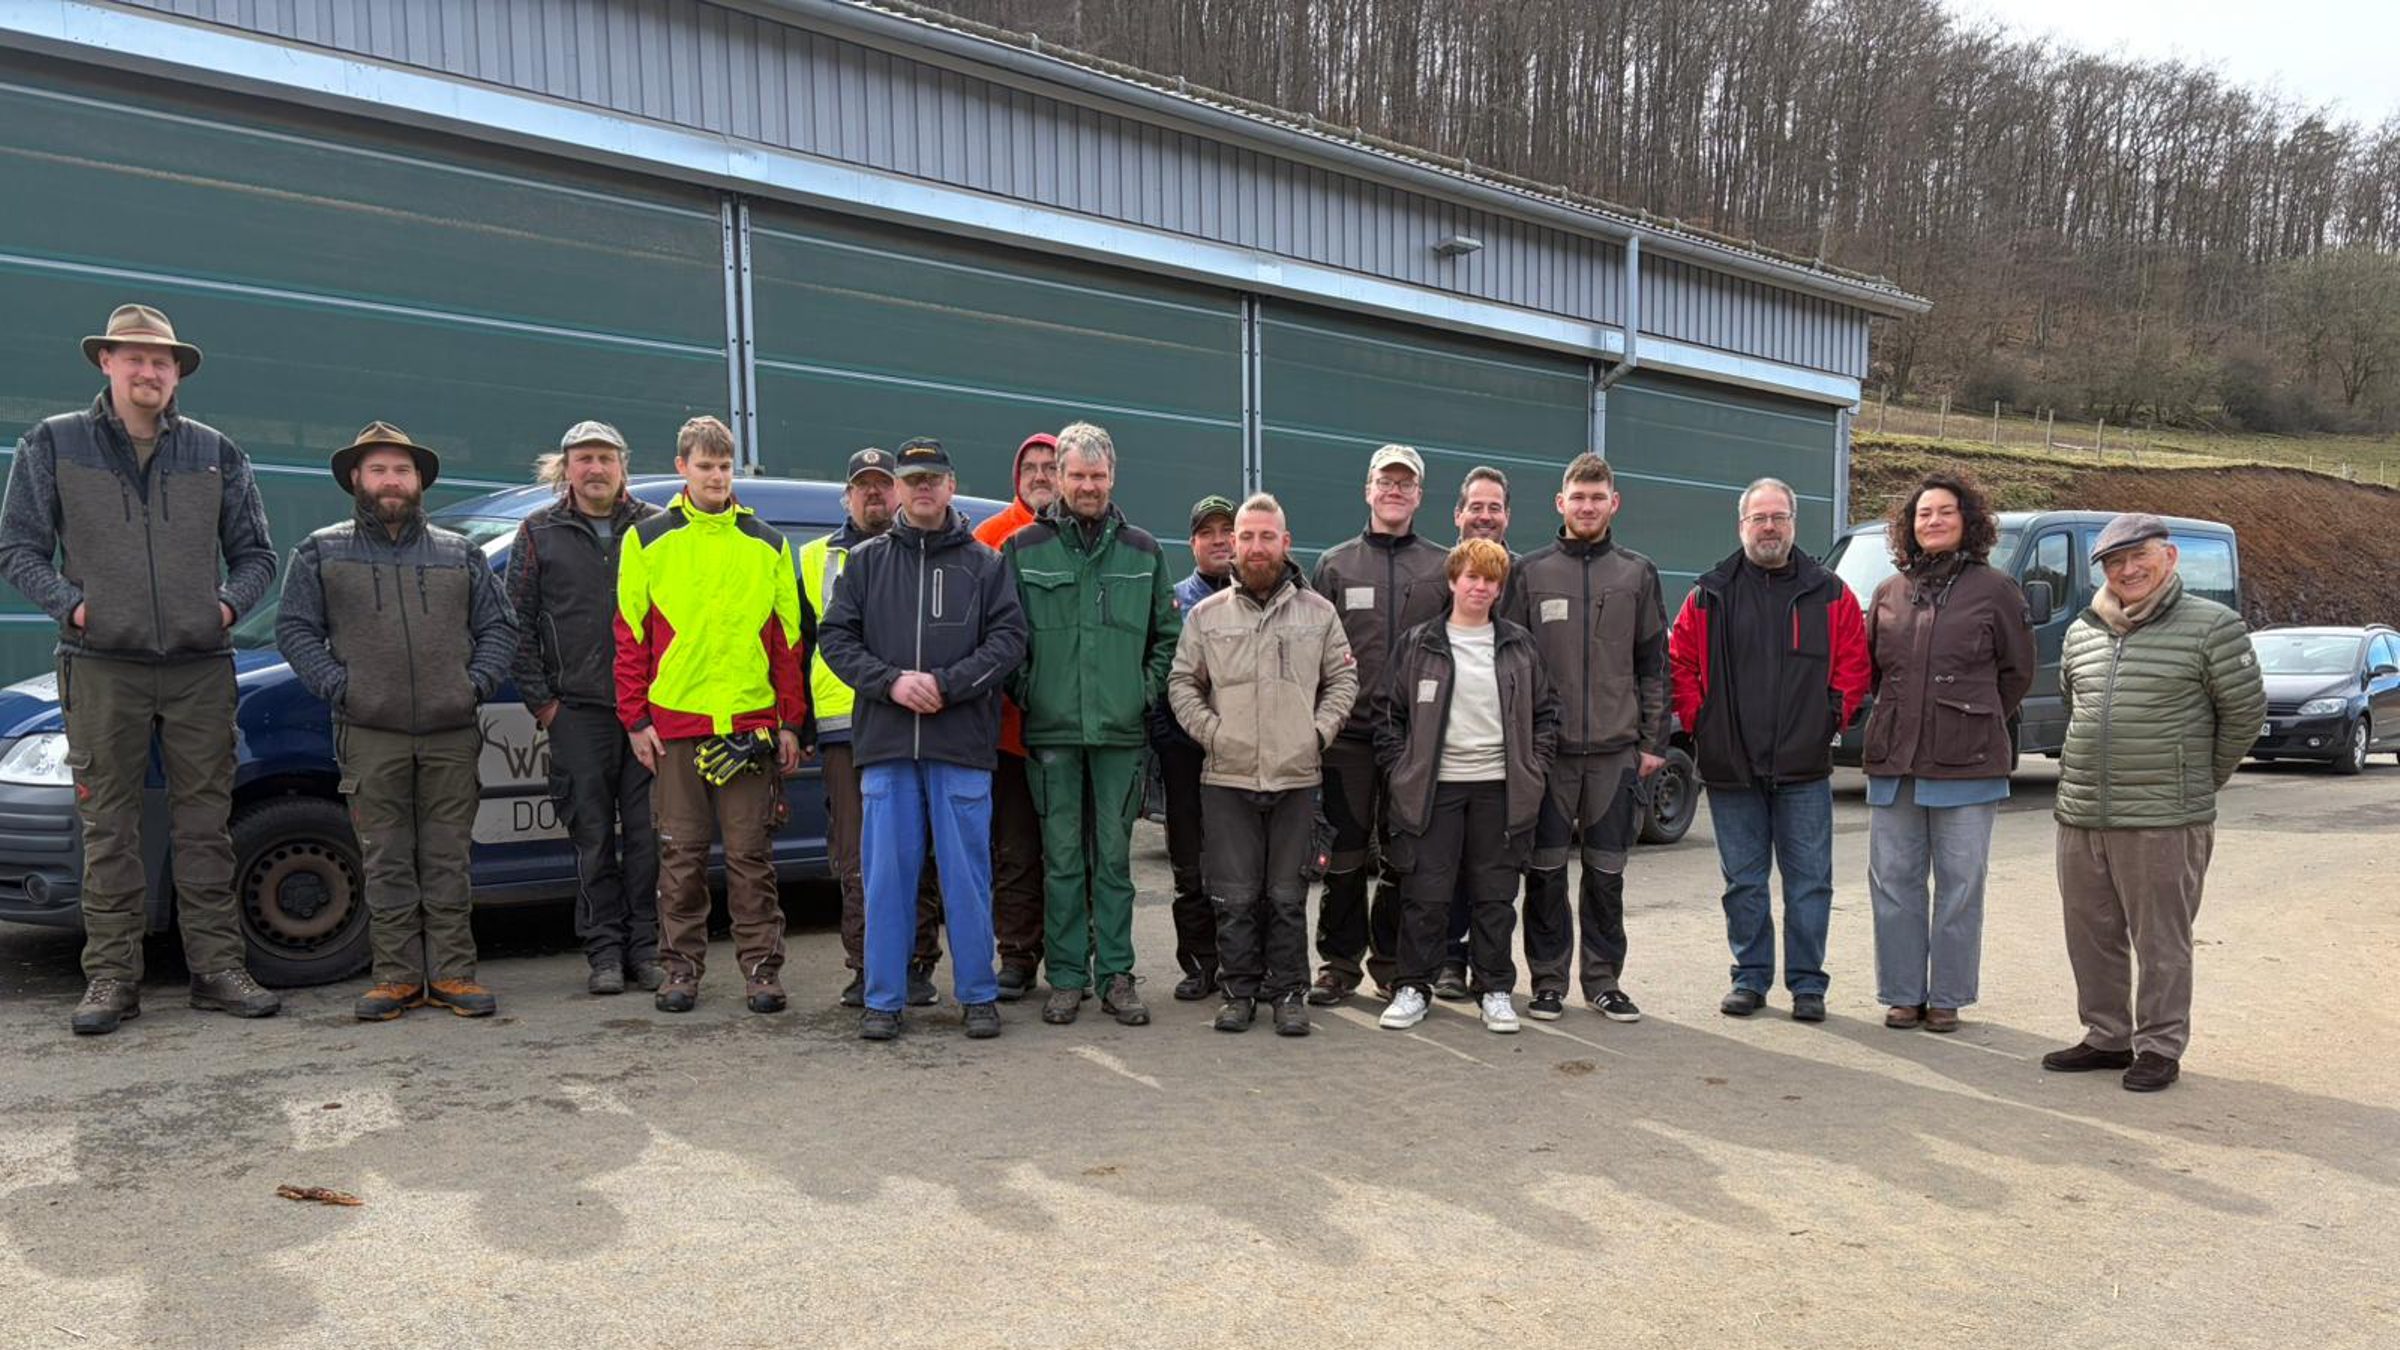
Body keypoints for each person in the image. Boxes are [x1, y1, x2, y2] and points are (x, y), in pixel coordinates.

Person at [0, 304, 282, 1035]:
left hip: (199, 668)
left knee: (205, 826)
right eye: (135, 358)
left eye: (162, 361)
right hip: (101, 665)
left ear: (177, 372)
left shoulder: (216, 452)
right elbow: (17, 549)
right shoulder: (53, 443)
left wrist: (224, 608)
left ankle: (216, 970)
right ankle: (112, 978)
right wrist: (75, 607)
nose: (149, 371)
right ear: (107, 362)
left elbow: (257, 555)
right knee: (110, 828)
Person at [278, 423, 518, 1021]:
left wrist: (473, 686)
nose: (392, 481)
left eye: (402, 471)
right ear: (355, 479)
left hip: (450, 730)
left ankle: (454, 973)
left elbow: (499, 626)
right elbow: (295, 630)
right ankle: (396, 978)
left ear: (419, 482)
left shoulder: (459, 554)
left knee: (447, 857)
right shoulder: (320, 552)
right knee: (384, 856)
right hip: (369, 732)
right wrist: (342, 688)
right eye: (379, 470)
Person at [2043, 514, 2263, 1092]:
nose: (2127, 570)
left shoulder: (2213, 626)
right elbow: (2073, 704)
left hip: (2165, 819)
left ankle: (2160, 1046)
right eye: (2114, 562)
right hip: (2082, 813)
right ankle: (2107, 1036)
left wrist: (2197, 780)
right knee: (2090, 934)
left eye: (2139, 556)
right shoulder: (2083, 630)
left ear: (2169, 557)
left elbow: (2244, 715)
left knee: (2162, 940)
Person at [819, 438, 1028, 1040]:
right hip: (887, 745)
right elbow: (836, 639)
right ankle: (883, 1000)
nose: (923, 487)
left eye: (933, 478)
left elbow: (1009, 641)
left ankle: (978, 996)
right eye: (912, 479)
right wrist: (891, 683)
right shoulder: (865, 564)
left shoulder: (985, 565)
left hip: (960, 744)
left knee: (967, 877)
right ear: (898, 489)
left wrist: (946, 684)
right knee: (886, 879)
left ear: (951, 485)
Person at [614, 416, 806, 1016]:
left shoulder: (768, 543)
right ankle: (679, 972)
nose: (716, 477)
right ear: (682, 468)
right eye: (705, 466)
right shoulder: (646, 540)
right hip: (676, 725)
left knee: (751, 858)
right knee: (681, 857)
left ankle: (762, 972)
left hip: (749, 726)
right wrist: (635, 719)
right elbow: (629, 636)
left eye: (724, 466)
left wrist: (790, 723)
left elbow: (788, 643)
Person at [1668, 477, 1869, 1023]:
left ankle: (1807, 985)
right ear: (1742, 526)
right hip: (1732, 768)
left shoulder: (1830, 593)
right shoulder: (1709, 594)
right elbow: (1680, 662)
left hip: (1804, 770)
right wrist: (1702, 723)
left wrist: (1829, 720)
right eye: (1759, 518)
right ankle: (1750, 979)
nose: (1769, 527)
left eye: (1779, 517)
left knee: (1810, 884)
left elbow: (1853, 665)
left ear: (1793, 524)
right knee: (1744, 883)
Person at [1000, 421, 1180, 1027]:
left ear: (1112, 477)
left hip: (1119, 736)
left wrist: (1139, 694)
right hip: (1051, 734)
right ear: (1058, 477)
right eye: (1076, 475)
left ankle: (1117, 976)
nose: (1087, 486)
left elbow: (1167, 638)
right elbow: (1006, 638)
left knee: (1114, 863)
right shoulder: (1023, 549)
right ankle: (1067, 978)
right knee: (1061, 862)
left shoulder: (1143, 551)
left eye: (1097, 476)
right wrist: (1031, 693)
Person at [1168, 494, 1357, 1037]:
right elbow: (1182, 682)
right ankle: (1238, 992)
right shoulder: (1207, 616)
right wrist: (1213, 733)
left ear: (1285, 542)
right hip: (1227, 777)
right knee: (1234, 895)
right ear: (1234, 544)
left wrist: (1316, 733)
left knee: (1287, 895)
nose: (1256, 547)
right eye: (1246, 537)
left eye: (1266, 537)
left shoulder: (1318, 613)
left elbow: (1344, 679)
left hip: (1295, 777)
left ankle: (1289, 993)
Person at [1861, 472, 2036, 1033]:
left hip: (1967, 763)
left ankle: (1948, 997)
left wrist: (1969, 717)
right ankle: (1902, 994)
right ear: (1909, 526)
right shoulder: (1889, 592)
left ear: (1967, 521)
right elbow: (1874, 673)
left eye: (1945, 512)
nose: (1933, 521)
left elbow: (2017, 673)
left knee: (1960, 885)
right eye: (1923, 514)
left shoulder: (1997, 590)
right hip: (1896, 760)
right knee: (1893, 881)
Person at [1502, 454, 1670, 1023]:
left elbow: (1653, 663)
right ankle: (1547, 982)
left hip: (1615, 754)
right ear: (1561, 503)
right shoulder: (1530, 572)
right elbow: (1511, 666)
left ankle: (1603, 981)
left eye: (1598, 497)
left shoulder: (1637, 573)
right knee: (1545, 874)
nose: (1588, 506)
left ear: (1613, 503)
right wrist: (1519, 746)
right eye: (1578, 496)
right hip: (1548, 755)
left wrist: (1653, 741)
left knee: (1606, 875)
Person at [505, 420, 666, 997]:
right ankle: (603, 953)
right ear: (565, 468)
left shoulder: (656, 526)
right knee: (593, 837)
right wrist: (545, 705)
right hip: (577, 712)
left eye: (605, 457)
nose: (595, 468)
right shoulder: (537, 531)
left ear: (623, 465)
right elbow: (516, 624)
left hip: (649, 713)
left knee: (649, 838)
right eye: (583, 459)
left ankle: (646, 949)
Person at [1375, 539, 1558, 1035]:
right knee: (1425, 895)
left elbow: (1546, 714)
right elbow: (1389, 714)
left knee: (1495, 897)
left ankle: (1495, 990)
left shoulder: (1519, 646)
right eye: (1471, 577)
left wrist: (1533, 768)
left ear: (1500, 589)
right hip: (1433, 790)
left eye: (1490, 579)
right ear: (1453, 581)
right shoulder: (1419, 644)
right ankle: (1413, 987)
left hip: (1500, 789)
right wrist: (1402, 770)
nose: (1480, 587)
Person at [800, 447, 946, 1009]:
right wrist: (798, 724)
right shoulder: (814, 557)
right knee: (858, 858)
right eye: (863, 486)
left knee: (918, 853)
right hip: (844, 727)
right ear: (847, 496)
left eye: (883, 484)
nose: (874, 494)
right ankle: (866, 965)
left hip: (913, 721)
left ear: (900, 491)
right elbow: (799, 646)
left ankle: (917, 963)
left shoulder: (922, 551)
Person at [1306, 444, 1450, 1006]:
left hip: (1412, 742)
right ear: (1367, 490)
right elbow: (1312, 652)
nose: (1394, 491)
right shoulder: (1335, 565)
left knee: (1401, 856)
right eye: (1384, 482)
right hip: (1347, 739)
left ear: (1419, 495)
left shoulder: (1440, 567)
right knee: (1342, 857)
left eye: (1404, 483)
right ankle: (1338, 964)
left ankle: (1390, 963)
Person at [972, 432, 1060, 999]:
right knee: (1016, 852)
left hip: (1072, 730)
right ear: (1016, 476)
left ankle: (1073, 956)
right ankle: (1019, 954)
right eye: (1031, 467)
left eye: (1051, 466)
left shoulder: (1082, 536)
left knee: (1072, 852)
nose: (1041, 475)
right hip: (1008, 733)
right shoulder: (989, 538)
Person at [1430, 465, 1515, 1002]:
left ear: (1508, 516)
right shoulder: (1437, 575)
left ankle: (1494, 972)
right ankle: (1447, 961)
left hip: (1502, 760)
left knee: (1495, 873)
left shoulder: (1525, 578)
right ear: (1457, 513)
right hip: (1443, 757)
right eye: (1475, 507)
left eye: (1494, 507)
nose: (1485, 516)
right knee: (1442, 870)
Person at [1150, 493, 1237, 1001]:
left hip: (1242, 756)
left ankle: (1240, 964)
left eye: (1227, 530)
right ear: (1192, 544)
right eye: (1208, 533)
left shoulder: (1260, 597)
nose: (1219, 540)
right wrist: (1168, 740)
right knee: (1190, 865)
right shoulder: (1173, 601)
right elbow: (1158, 671)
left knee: (1240, 865)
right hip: (1185, 756)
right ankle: (1200, 964)